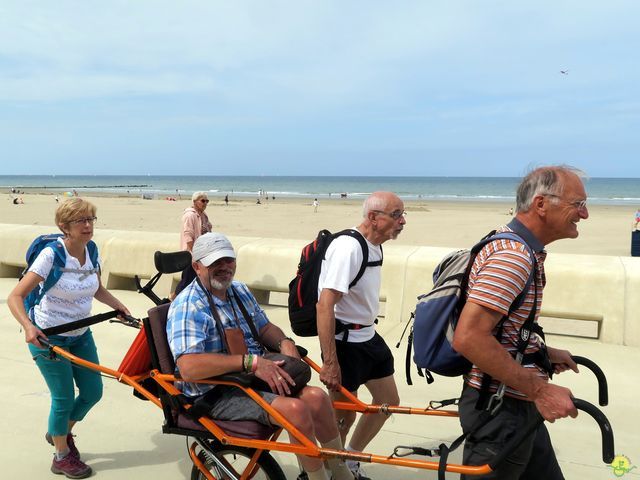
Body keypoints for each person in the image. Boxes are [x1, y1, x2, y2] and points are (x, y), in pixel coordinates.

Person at [167, 232, 355, 480]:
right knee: (296, 410)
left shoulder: (239, 290)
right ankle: (316, 477)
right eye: (215, 263)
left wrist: (284, 342)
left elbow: (264, 328)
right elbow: (188, 367)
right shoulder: (189, 305)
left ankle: (341, 474)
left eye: (228, 260)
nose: (224, 268)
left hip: (249, 379)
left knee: (318, 398)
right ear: (197, 266)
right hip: (215, 391)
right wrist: (251, 363)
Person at [452, 165, 588, 479]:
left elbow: (504, 328)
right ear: (541, 205)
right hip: (500, 411)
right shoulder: (512, 256)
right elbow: (469, 337)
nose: (585, 214)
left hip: (517, 403)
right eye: (577, 204)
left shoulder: (521, 248)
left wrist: (542, 351)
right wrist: (541, 391)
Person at [8, 197, 130, 479]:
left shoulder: (92, 250)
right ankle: (61, 456)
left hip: (80, 334)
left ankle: (59, 432)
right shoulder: (52, 254)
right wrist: (28, 327)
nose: (88, 225)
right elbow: (15, 296)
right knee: (62, 398)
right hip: (48, 338)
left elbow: (96, 287)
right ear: (64, 226)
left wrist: (117, 305)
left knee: (92, 392)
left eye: (90, 219)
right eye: (81, 221)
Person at [316, 191, 406, 479]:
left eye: (403, 214)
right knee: (343, 416)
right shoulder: (349, 248)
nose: (402, 221)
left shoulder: (375, 245)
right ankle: (332, 470)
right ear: (372, 217)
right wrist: (330, 362)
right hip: (345, 344)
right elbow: (325, 305)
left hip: (368, 337)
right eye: (396, 215)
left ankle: (349, 460)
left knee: (388, 402)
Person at [174, 191, 212, 296]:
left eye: (207, 201)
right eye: (203, 201)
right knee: (187, 280)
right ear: (195, 202)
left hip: (201, 252)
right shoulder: (189, 215)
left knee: (197, 279)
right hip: (190, 254)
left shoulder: (203, 215)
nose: (205, 203)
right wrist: (193, 253)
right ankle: (173, 297)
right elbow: (188, 235)